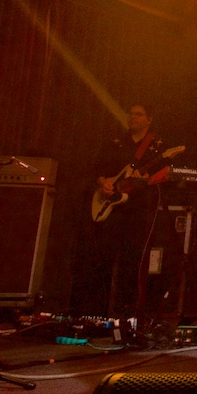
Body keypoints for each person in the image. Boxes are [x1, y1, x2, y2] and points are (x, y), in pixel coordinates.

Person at [71, 103, 170, 319]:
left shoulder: (156, 146)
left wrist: (146, 181)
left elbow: (165, 174)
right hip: (110, 210)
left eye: (138, 114)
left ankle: (126, 316)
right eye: (131, 114)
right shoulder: (116, 143)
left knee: (131, 262)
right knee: (101, 259)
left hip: (137, 211)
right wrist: (103, 182)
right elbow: (98, 169)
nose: (132, 117)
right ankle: (95, 312)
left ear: (149, 120)